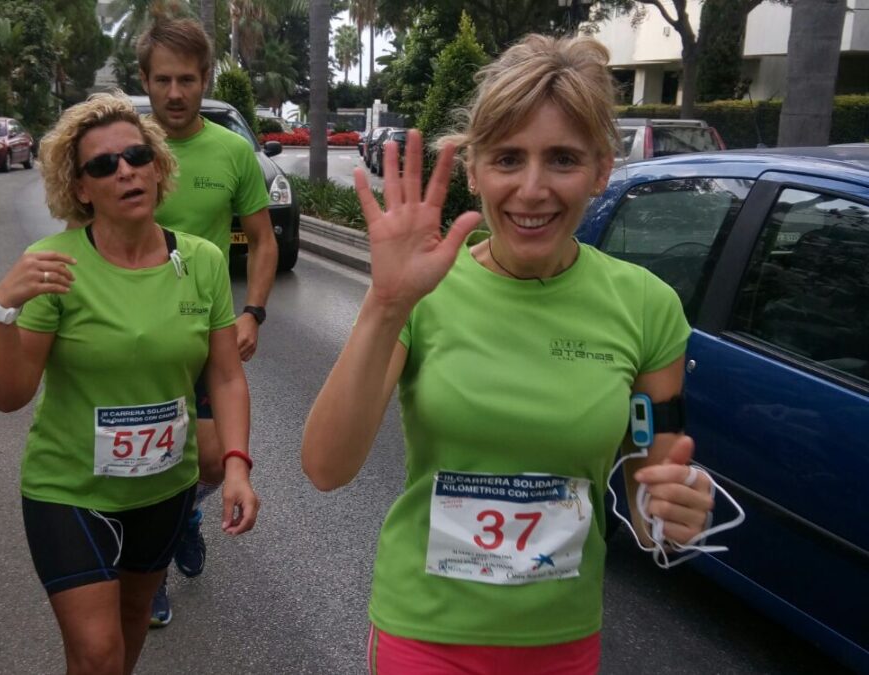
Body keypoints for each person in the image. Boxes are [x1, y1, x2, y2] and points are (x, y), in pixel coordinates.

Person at [300, 34, 716, 673]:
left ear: (601, 169)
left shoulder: (647, 307)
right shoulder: (423, 291)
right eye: (507, 159)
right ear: (474, 170)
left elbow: (646, 502)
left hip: (562, 640)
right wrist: (386, 304)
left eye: (562, 159)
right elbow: (326, 467)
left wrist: (674, 513)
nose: (532, 188)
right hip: (424, 633)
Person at [0, 93, 258, 675]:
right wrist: (2, 309)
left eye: (137, 156)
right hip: (70, 491)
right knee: (99, 651)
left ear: (158, 166)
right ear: (81, 188)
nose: (126, 171)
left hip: (164, 487)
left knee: (129, 631)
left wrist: (236, 466)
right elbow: (8, 396)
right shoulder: (54, 264)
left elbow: (226, 376)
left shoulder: (203, 261)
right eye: (104, 165)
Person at [134, 16, 278, 626]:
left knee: (215, 460)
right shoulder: (125, 150)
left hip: (205, 331)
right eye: (163, 80)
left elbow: (263, 241)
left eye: (187, 80)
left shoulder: (232, 151)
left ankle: (185, 513)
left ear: (205, 79)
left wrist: (253, 313)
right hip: (132, 333)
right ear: (144, 80)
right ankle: (151, 567)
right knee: (142, 458)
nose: (175, 93)